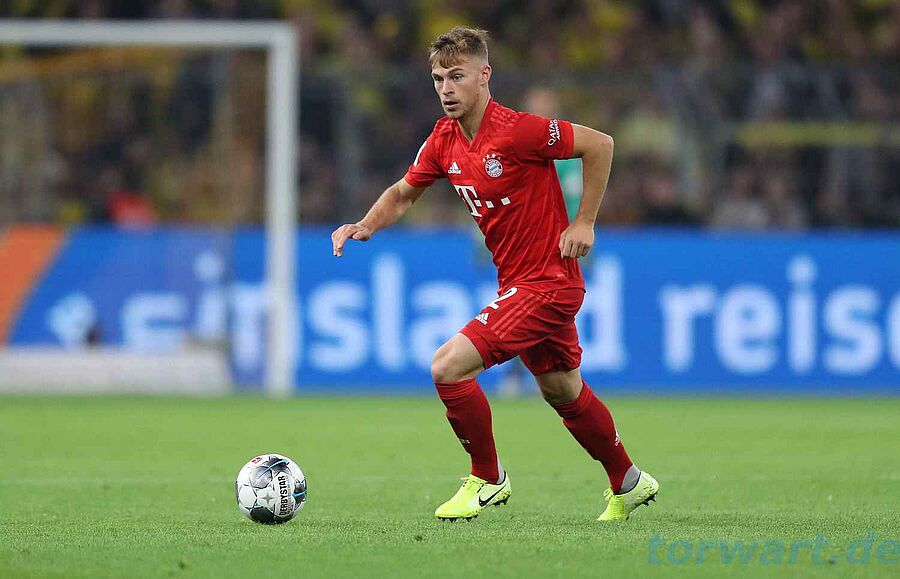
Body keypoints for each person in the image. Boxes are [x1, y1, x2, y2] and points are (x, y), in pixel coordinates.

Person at [331, 26, 658, 522]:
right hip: (517, 282)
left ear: (484, 75)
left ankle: (487, 478)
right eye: (438, 78)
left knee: (447, 366)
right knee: (562, 389)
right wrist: (365, 225)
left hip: (548, 283)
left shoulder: (519, 131)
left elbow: (601, 145)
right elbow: (403, 193)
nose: (446, 88)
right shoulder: (443, 140)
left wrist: (584, 221)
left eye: (457, 76)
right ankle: (628, 481)